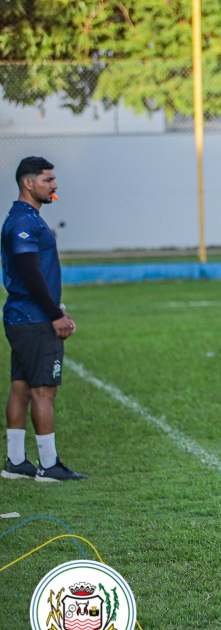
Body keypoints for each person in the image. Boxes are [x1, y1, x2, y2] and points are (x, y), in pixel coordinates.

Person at [1, 157, 85, 481]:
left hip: (25, 316)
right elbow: (30, 272)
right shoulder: (23, 221)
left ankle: (16, 462)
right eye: (48, 180)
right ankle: (49, 466)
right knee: (44, 391)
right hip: (34, 320)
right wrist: (55, 314)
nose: (54, 185)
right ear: (28, 183)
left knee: (21, 387)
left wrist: (56, 307)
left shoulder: (26, 218)